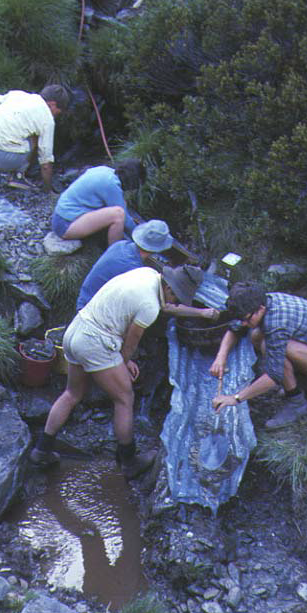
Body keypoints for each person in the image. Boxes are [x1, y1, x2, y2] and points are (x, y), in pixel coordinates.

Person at [29, 263, 204, 478]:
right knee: (124, 398)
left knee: (72, 393)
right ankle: (129, 462)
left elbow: (126, 312)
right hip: (95, 341)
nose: (175, 302)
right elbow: (131, 343)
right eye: (177, 297)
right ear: (169, 289)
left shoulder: (147, 274)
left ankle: (41, 450)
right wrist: (123, 362)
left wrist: (203, 313)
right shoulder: (149, 306)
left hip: (76, 330)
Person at [210, 281, 307, 429]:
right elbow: (235, 328)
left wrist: (235, 398)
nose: (243, 323)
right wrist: (220, 358)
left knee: (268, 346)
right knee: (257, 335)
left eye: (246, 319)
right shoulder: (259, 301)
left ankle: (297, 403)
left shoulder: (276, 322)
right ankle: (298, 379)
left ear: (260, 309)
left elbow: (273, 376)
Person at [76, 217, 220, 321]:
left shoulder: (122, 246)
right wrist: (201, 313)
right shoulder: (133, 270)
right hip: (90, 313)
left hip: (86, 299)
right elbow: (165, 306)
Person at [0, 85, 69, 192]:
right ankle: (18, 176)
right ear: (52, 104)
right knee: (35, 137)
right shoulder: (46, 119)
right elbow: (45, 162)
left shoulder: (17, 95)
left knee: (24, 129)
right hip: (2, 160)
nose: (56, 115)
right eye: (58, 112)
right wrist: (48, 190)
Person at [51, 159, 145, 246]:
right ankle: (115, 253)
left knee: (120, 208)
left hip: (61, 217)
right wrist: (140, 237)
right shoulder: (110, 185)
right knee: (118, 215)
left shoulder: (105, 171)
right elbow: (125, 220)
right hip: (65, 225)